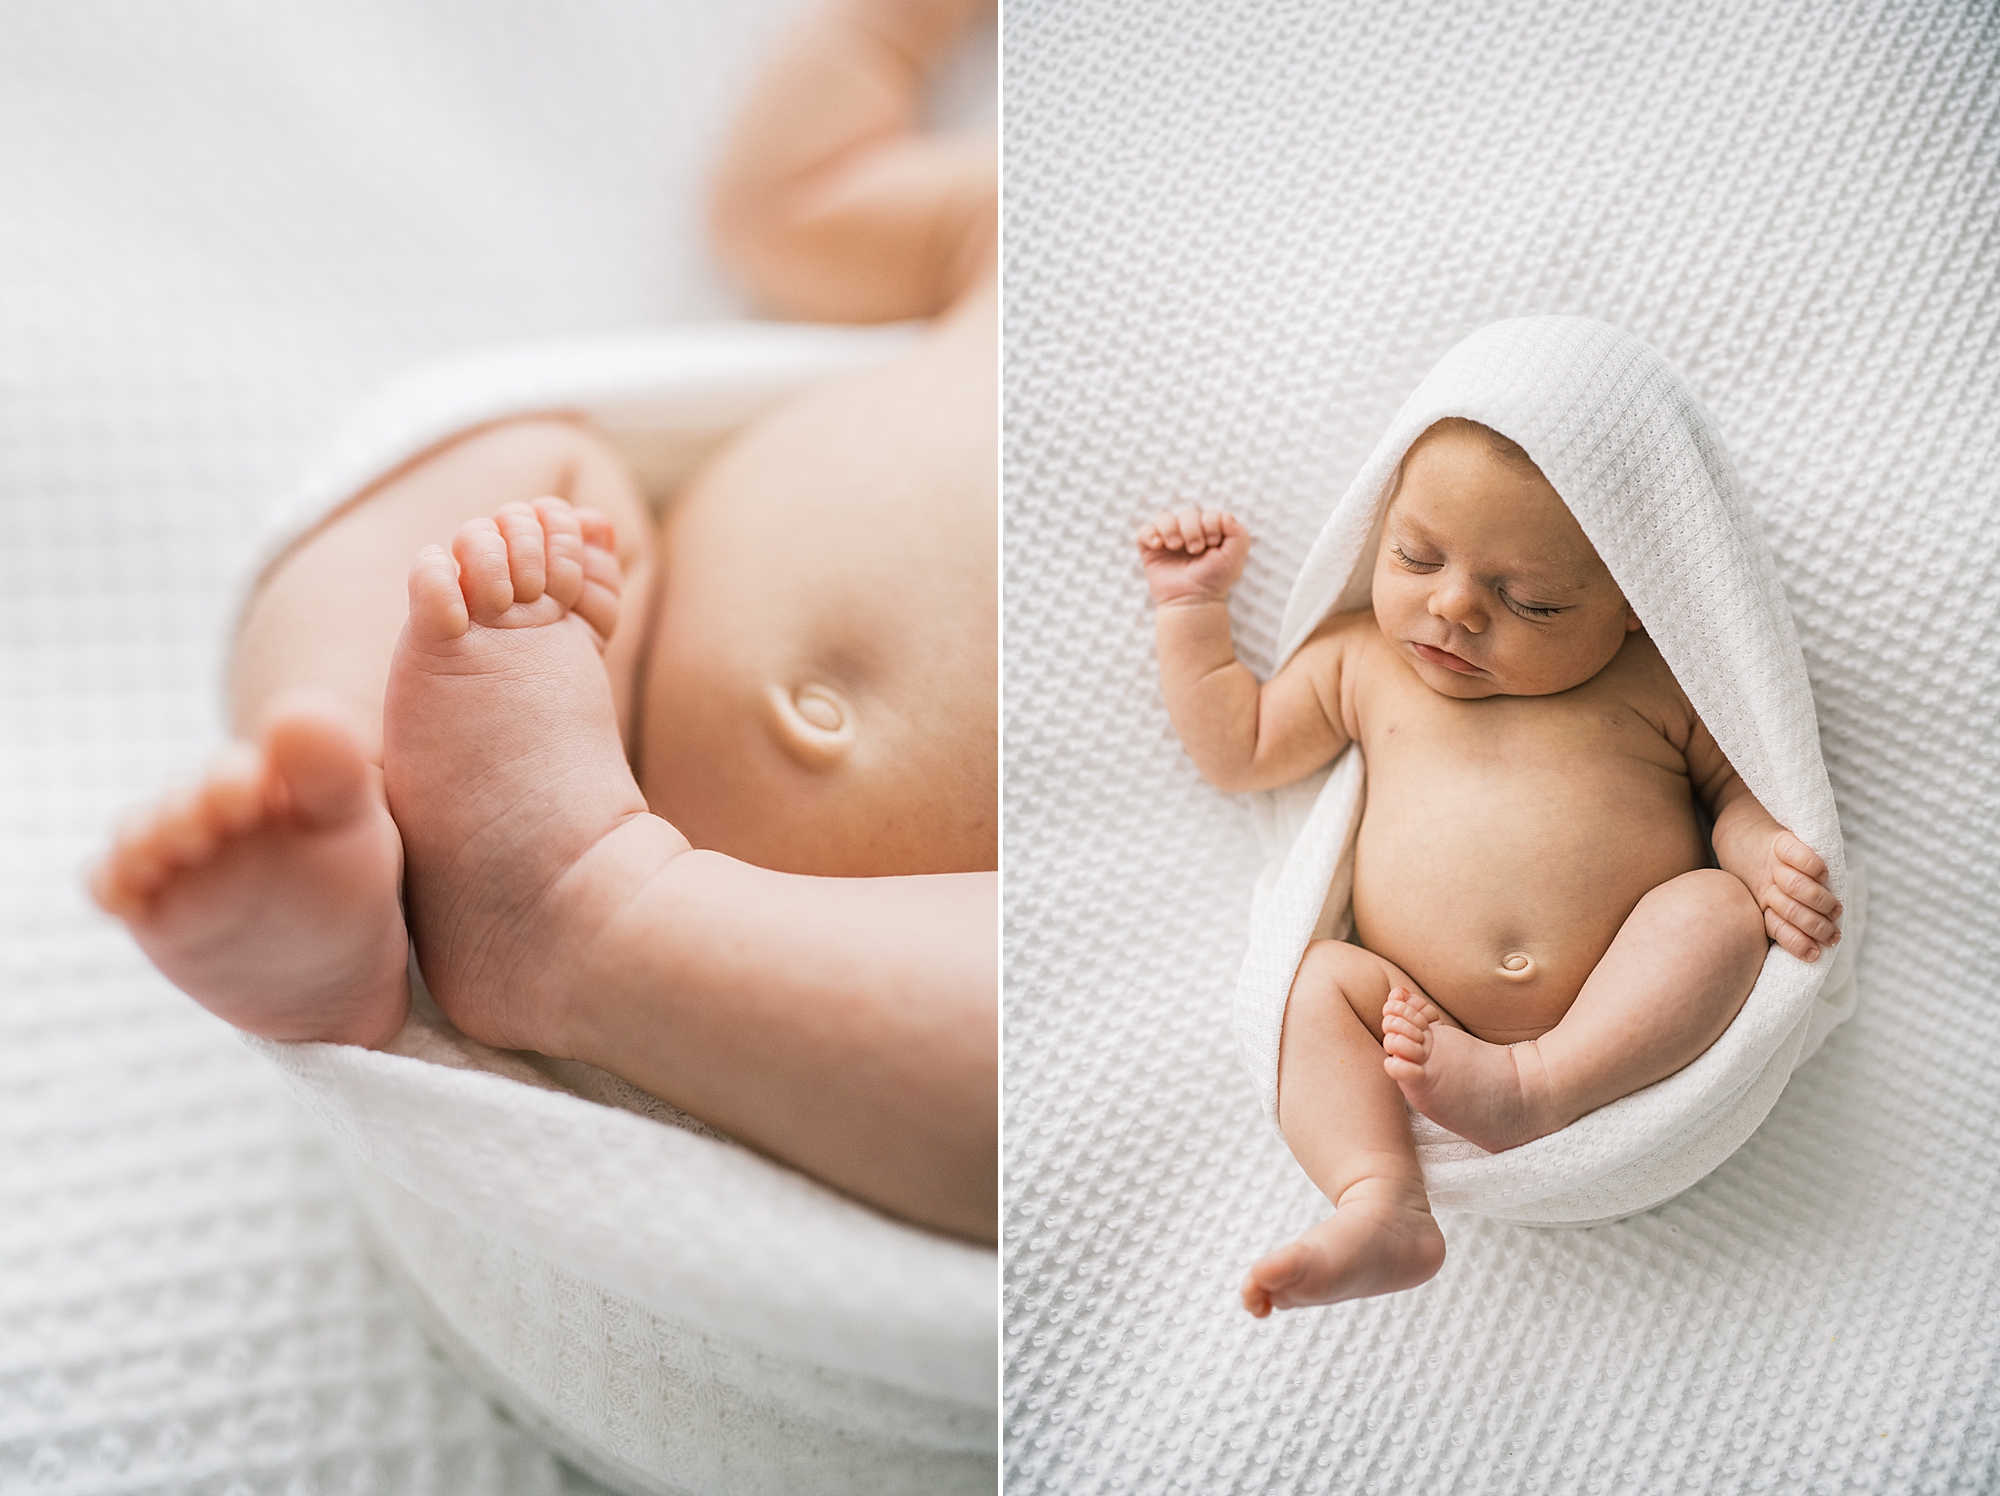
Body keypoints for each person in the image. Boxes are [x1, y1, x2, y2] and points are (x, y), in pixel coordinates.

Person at [90, 0, 997, 1244]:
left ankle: (585, 917)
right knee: (503, 453)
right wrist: (888, 33)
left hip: (877, 972)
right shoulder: (1026, 217)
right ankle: (354, 799)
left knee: (1032, 1035)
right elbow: (791, 200)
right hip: (589, 677)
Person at [1136, 415, 1842, 1310]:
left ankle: (1540, 1084)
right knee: (1312, 984)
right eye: (1417, 559)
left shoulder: (1656, 679)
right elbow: (1239, 748)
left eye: (1533, 602)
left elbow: (1737, 793)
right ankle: (1381, 1199)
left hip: (1622, 1011)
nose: (1455, 607)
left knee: (1717, 910)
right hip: (1412, 1015)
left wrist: (1762, 854)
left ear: (1634, 598)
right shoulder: (1360, 659)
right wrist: (1191, 610)